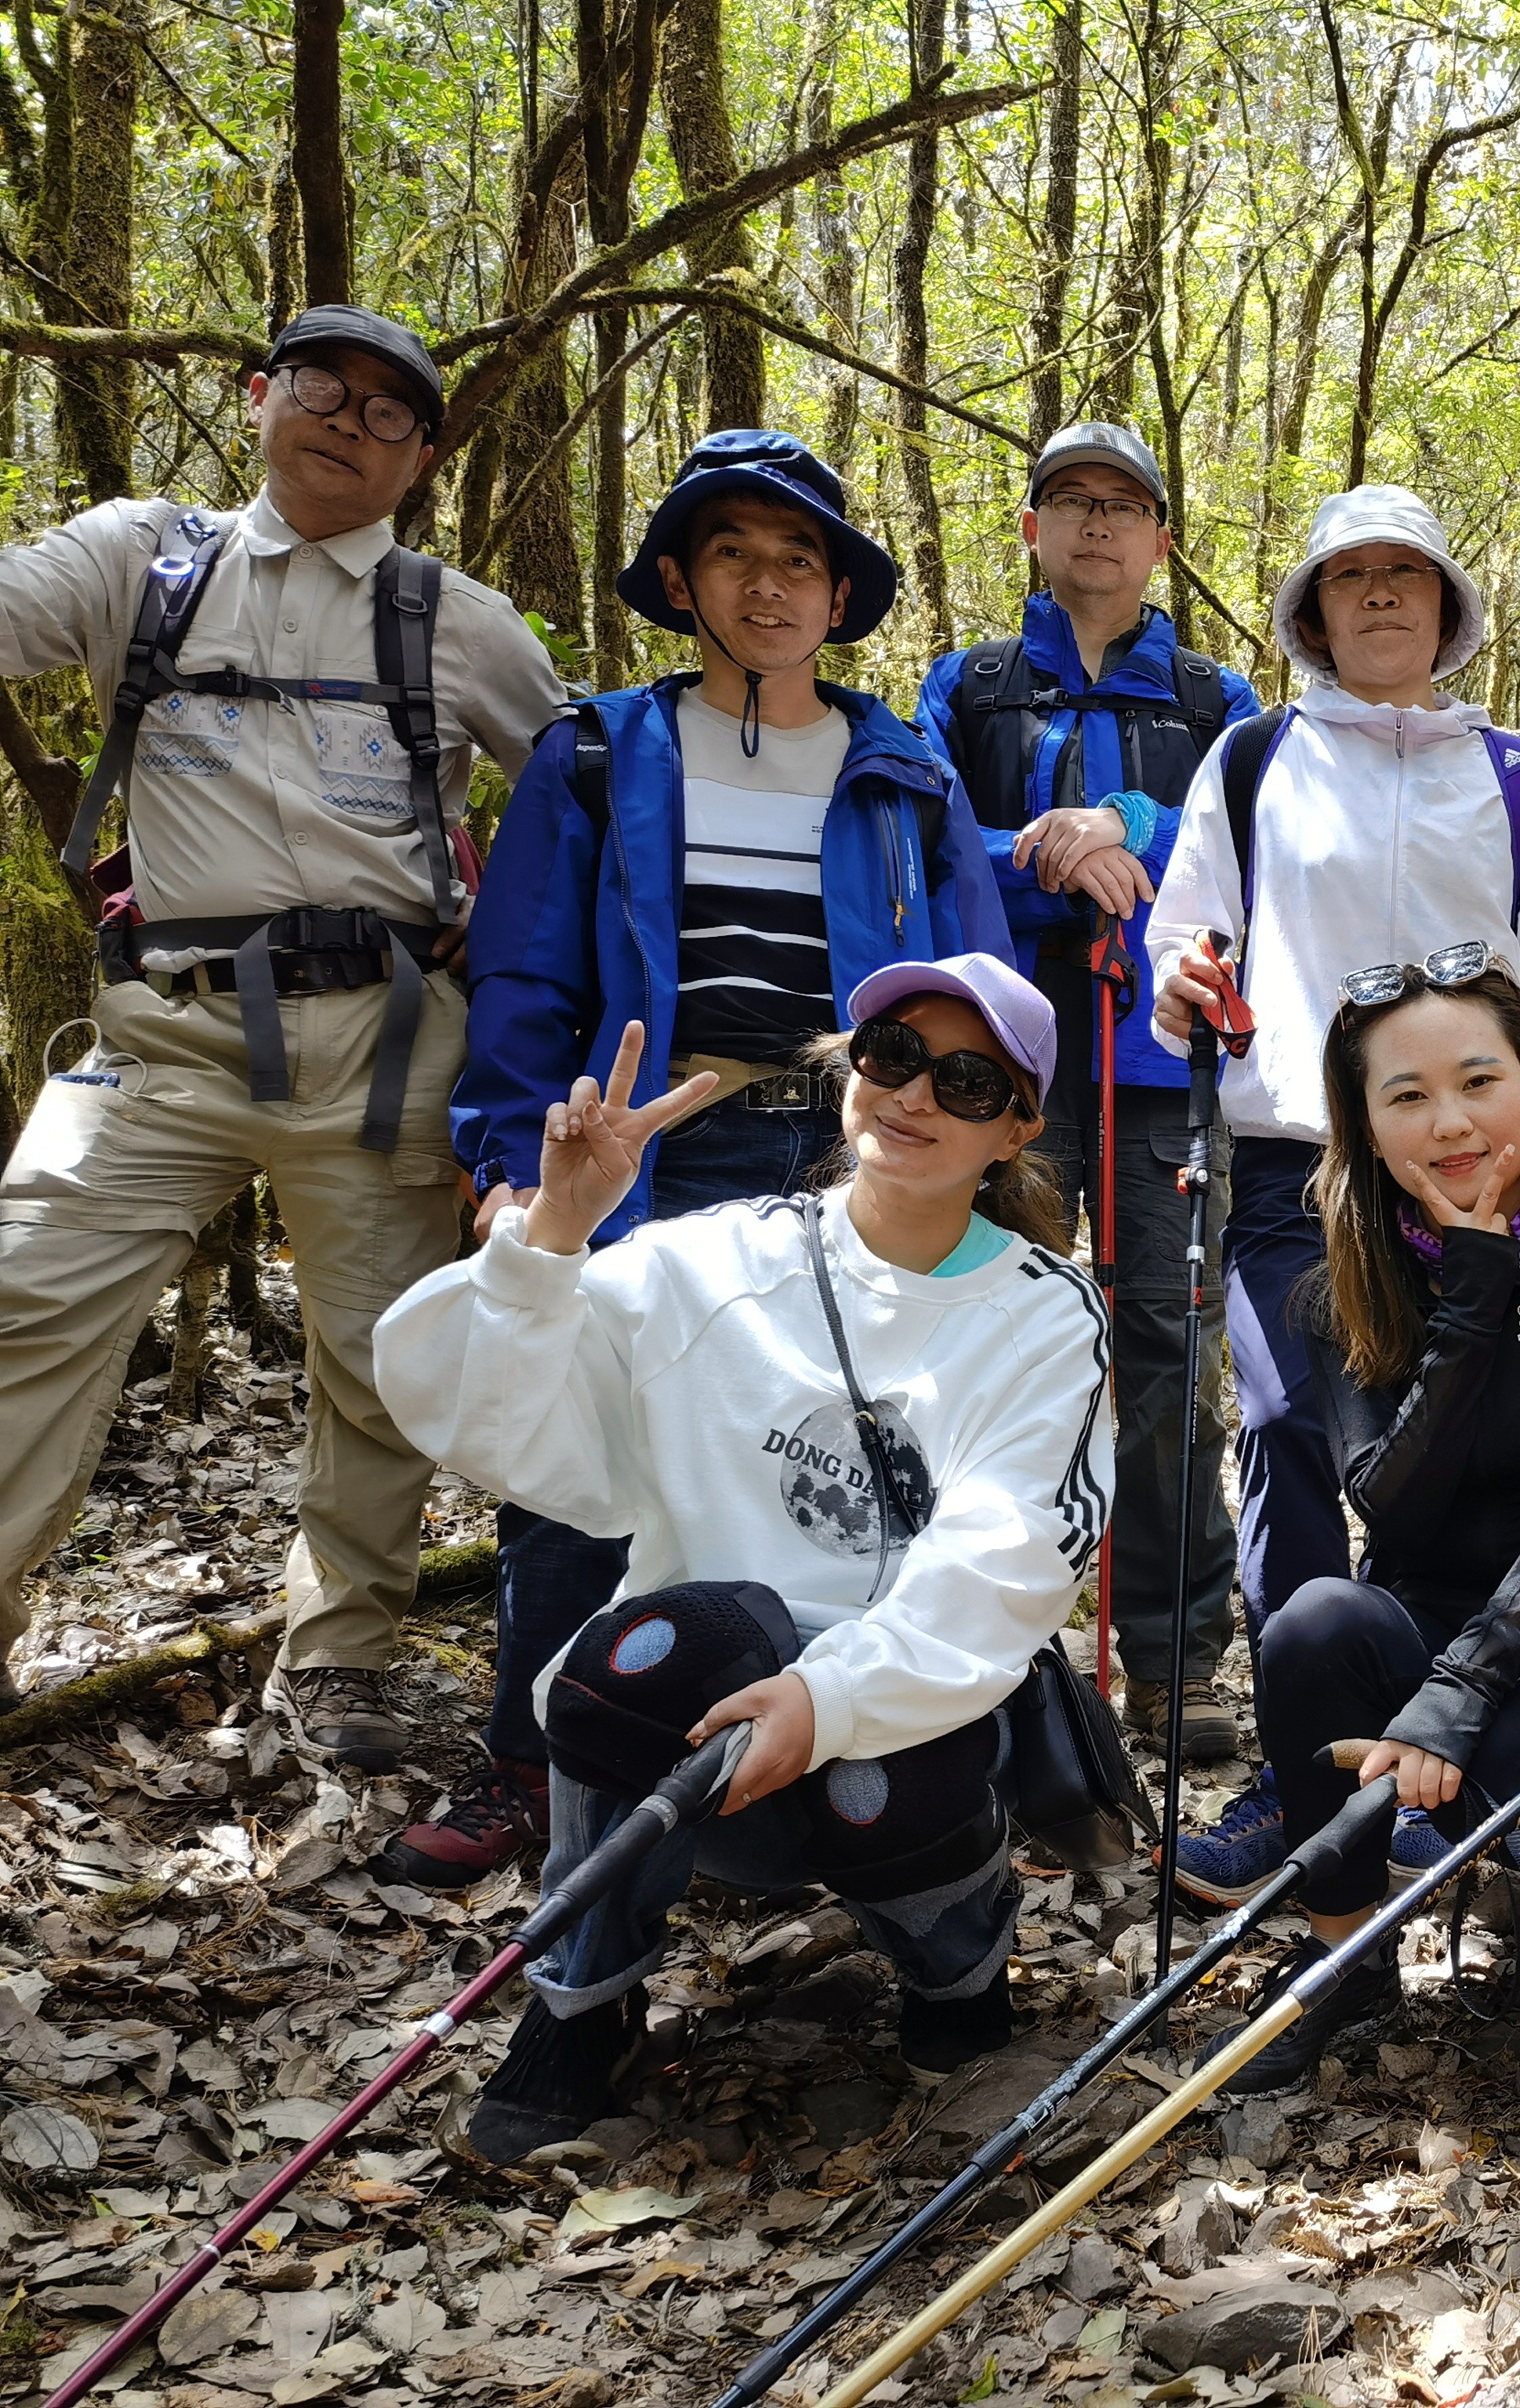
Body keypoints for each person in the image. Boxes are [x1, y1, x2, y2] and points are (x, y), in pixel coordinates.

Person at [383, 429, 1010, 1888]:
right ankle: (540, 1758)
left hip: (854, 1140)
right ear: (681, 577)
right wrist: (511, 1163)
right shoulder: (598, 751)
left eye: (801, 559)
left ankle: (833, 1756)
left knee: (839, 1443)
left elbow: (970, 978)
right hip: (643, 1147)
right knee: (579, 1444)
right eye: (734, 551)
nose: (769, 585)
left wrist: (974, 1153)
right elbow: (530, 977)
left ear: (840, 596)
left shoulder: (902, 770)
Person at [377, 955, 1108, 2157]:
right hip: (681, 1734)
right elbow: (486, 1420)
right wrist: (551, 1234)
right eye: (891, 1057)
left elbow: (1005, 1563)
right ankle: (584, 2004)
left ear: (1018, 1127)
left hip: (891, 1728)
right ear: (845, 1073)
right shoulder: (709, 1259)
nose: (916, 1096)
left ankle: (956, 1975)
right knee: (635, 1646)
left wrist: (827, 1700)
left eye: (969, 1082)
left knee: (895, 1761)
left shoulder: (1042, 1315)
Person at [0, 304, 568, 1743]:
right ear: (261, 395)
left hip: (385, 1049)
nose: (348, 421)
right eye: (323, 385)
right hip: (159, 1041)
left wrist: (509, 970)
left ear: (423, 458)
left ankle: (339, 1653)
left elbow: (589, 799)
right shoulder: (144, 561)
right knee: (24, 1302)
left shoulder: (462, 622)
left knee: (381, 1363)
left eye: (392, 411)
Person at [1148, 484, 1520, 1896]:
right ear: (1316, 612)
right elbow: (1184, 945)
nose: (1384, 598)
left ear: (1447, 608)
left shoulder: (1515, 770)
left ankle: (1451, 1748)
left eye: (1409, 576)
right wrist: (1179, 985)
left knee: (1475, 1439)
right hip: (1297, 1156)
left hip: (1489, 1157)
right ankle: (1299, 1783)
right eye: (1354, 580)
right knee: (1288, 1437)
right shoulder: (1251, 756)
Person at [1203, 951, 1520, 2094]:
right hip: (1424, 1625)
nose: (1452, 1122)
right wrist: (1469, 1301)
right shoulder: (1340, 1288)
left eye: (1480, 1081)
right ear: (1366, 1130)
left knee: (1518, 1755)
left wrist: (1468, 1686)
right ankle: (1345, 1958)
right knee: (1314, 1626)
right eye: (1408, 1097)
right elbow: (1389, 1500)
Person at [918, 421, 1258, 1766]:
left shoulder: (1216, 697)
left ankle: (1176, 1656)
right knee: (981, 1347)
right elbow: (931, 836)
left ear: (1162, 536)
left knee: (1169, 1359)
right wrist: (1043, 852)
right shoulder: (972, 683)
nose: (1098, 527)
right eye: (1071, 503)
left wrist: (1134, 825)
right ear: (1032, 531)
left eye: (1125, 506)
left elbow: (1246, 843)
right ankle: (979, 1647)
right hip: (1001, 1065)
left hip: (1164, 1066)